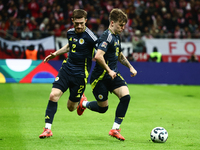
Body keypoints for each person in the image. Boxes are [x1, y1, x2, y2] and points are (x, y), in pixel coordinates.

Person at [77, 8, 137, 141]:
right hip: (100, 79)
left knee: (126, 97)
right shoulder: (106, 36)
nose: (122, 28)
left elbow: (119, 55)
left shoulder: (116, 36)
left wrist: (131, 67)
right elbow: (98, 56)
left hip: (113, 75)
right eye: (120, 25)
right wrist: (109, 70)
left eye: (123, 26)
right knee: (103, 108)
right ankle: (84, 103)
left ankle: (115, 129)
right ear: (112, 23)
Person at [39, 9, 98, 138]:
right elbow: (69, 46)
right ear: (72, 21)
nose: (79, 26)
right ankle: (47, 129)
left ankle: (81, 102)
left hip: (80, 75)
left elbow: (101, 51)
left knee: (71, 108)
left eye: (82, 23)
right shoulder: (70, 33)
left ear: (86, 21)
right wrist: (55, 53)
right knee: (53, 95)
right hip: (66, 69)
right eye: (76, 23)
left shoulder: (91, 37)